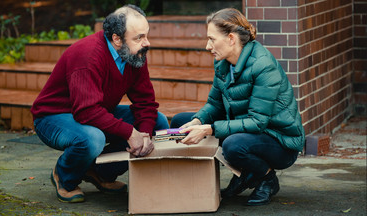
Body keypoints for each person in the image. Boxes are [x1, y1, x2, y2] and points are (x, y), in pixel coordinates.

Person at [31, 4, 169, 203]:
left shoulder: (134, 53)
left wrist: (145, 134)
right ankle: (64, 176)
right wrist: (130, 133)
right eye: (139, 37)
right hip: (53, 117)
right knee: (92, 139)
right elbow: (86, 112)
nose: (146, 43)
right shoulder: (88, 55)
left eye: (146, 35)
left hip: (94, 111)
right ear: (116, 39)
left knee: (158, 122)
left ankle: (99, 172)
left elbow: (146, 102)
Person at [170, 8, 305, 206]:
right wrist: (198, 121)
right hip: (247, 131)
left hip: (279, 141)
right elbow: (215, 104)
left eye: (212, 39)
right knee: (182, 122)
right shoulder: (223, 63)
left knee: (233, 145)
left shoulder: (263, 66)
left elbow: (258, 122)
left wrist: (209, 129)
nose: (208, 46)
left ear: (231, 38)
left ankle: (267, 179)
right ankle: (245, 174)